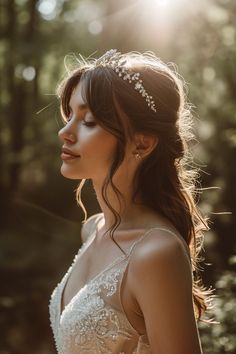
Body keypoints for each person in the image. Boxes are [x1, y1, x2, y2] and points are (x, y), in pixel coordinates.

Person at [49, 49, 215, 354]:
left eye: (88, 121)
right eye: (69, 116)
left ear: (142, 142)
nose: (65, 132)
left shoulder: (155, 253)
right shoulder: (92, 229)